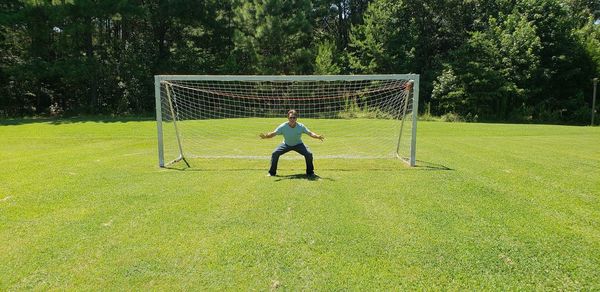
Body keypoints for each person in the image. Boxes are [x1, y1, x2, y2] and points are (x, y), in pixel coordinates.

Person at [259, 110, 324, 177]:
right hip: (286, 144)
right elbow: (273, 133)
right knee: (275, 153)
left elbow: (310, 133)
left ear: (296, 118)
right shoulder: (283, 126)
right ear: (288, 118)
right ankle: (271, 173)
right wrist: (266, 136)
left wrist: (317, 136)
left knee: (309, 154)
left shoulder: (301, 126)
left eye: (294, 117)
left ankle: (310, 173)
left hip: (298, 144)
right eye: (291, 117)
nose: (292, 119)